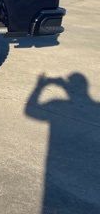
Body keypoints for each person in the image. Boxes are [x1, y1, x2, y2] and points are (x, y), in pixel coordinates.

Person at [25, 73, 100, 213]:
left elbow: (30, 110)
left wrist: (40, 86)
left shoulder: (57, 104)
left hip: (57, 176)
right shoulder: (96, 109)